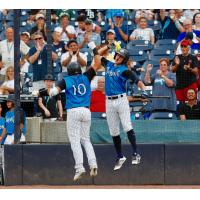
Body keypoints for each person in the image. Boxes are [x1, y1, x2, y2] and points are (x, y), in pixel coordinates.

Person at [40, 42, 100, 181]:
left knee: (75, 141)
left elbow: (54, 92)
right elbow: (97, 61)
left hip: (73, 111)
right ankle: (93, 163)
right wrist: (92, 47)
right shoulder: (86, 76)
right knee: (86, 140)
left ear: (69, 71)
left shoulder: (66, 79)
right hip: (86, 111)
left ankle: (79, 167)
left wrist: (45, 91)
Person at [99, 46, 148, 171]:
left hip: (121, 100)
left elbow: (137, 80)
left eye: (120, 56)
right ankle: (120, 156)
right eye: (117, 55)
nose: (117, 57)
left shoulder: (124, 70)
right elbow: (98, 56)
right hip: (109, 101)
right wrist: (105, 47)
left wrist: (144, 90)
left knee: (127, 126)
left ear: (124, 59)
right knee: (113, 132)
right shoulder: (109, 64)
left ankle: (136, 153)